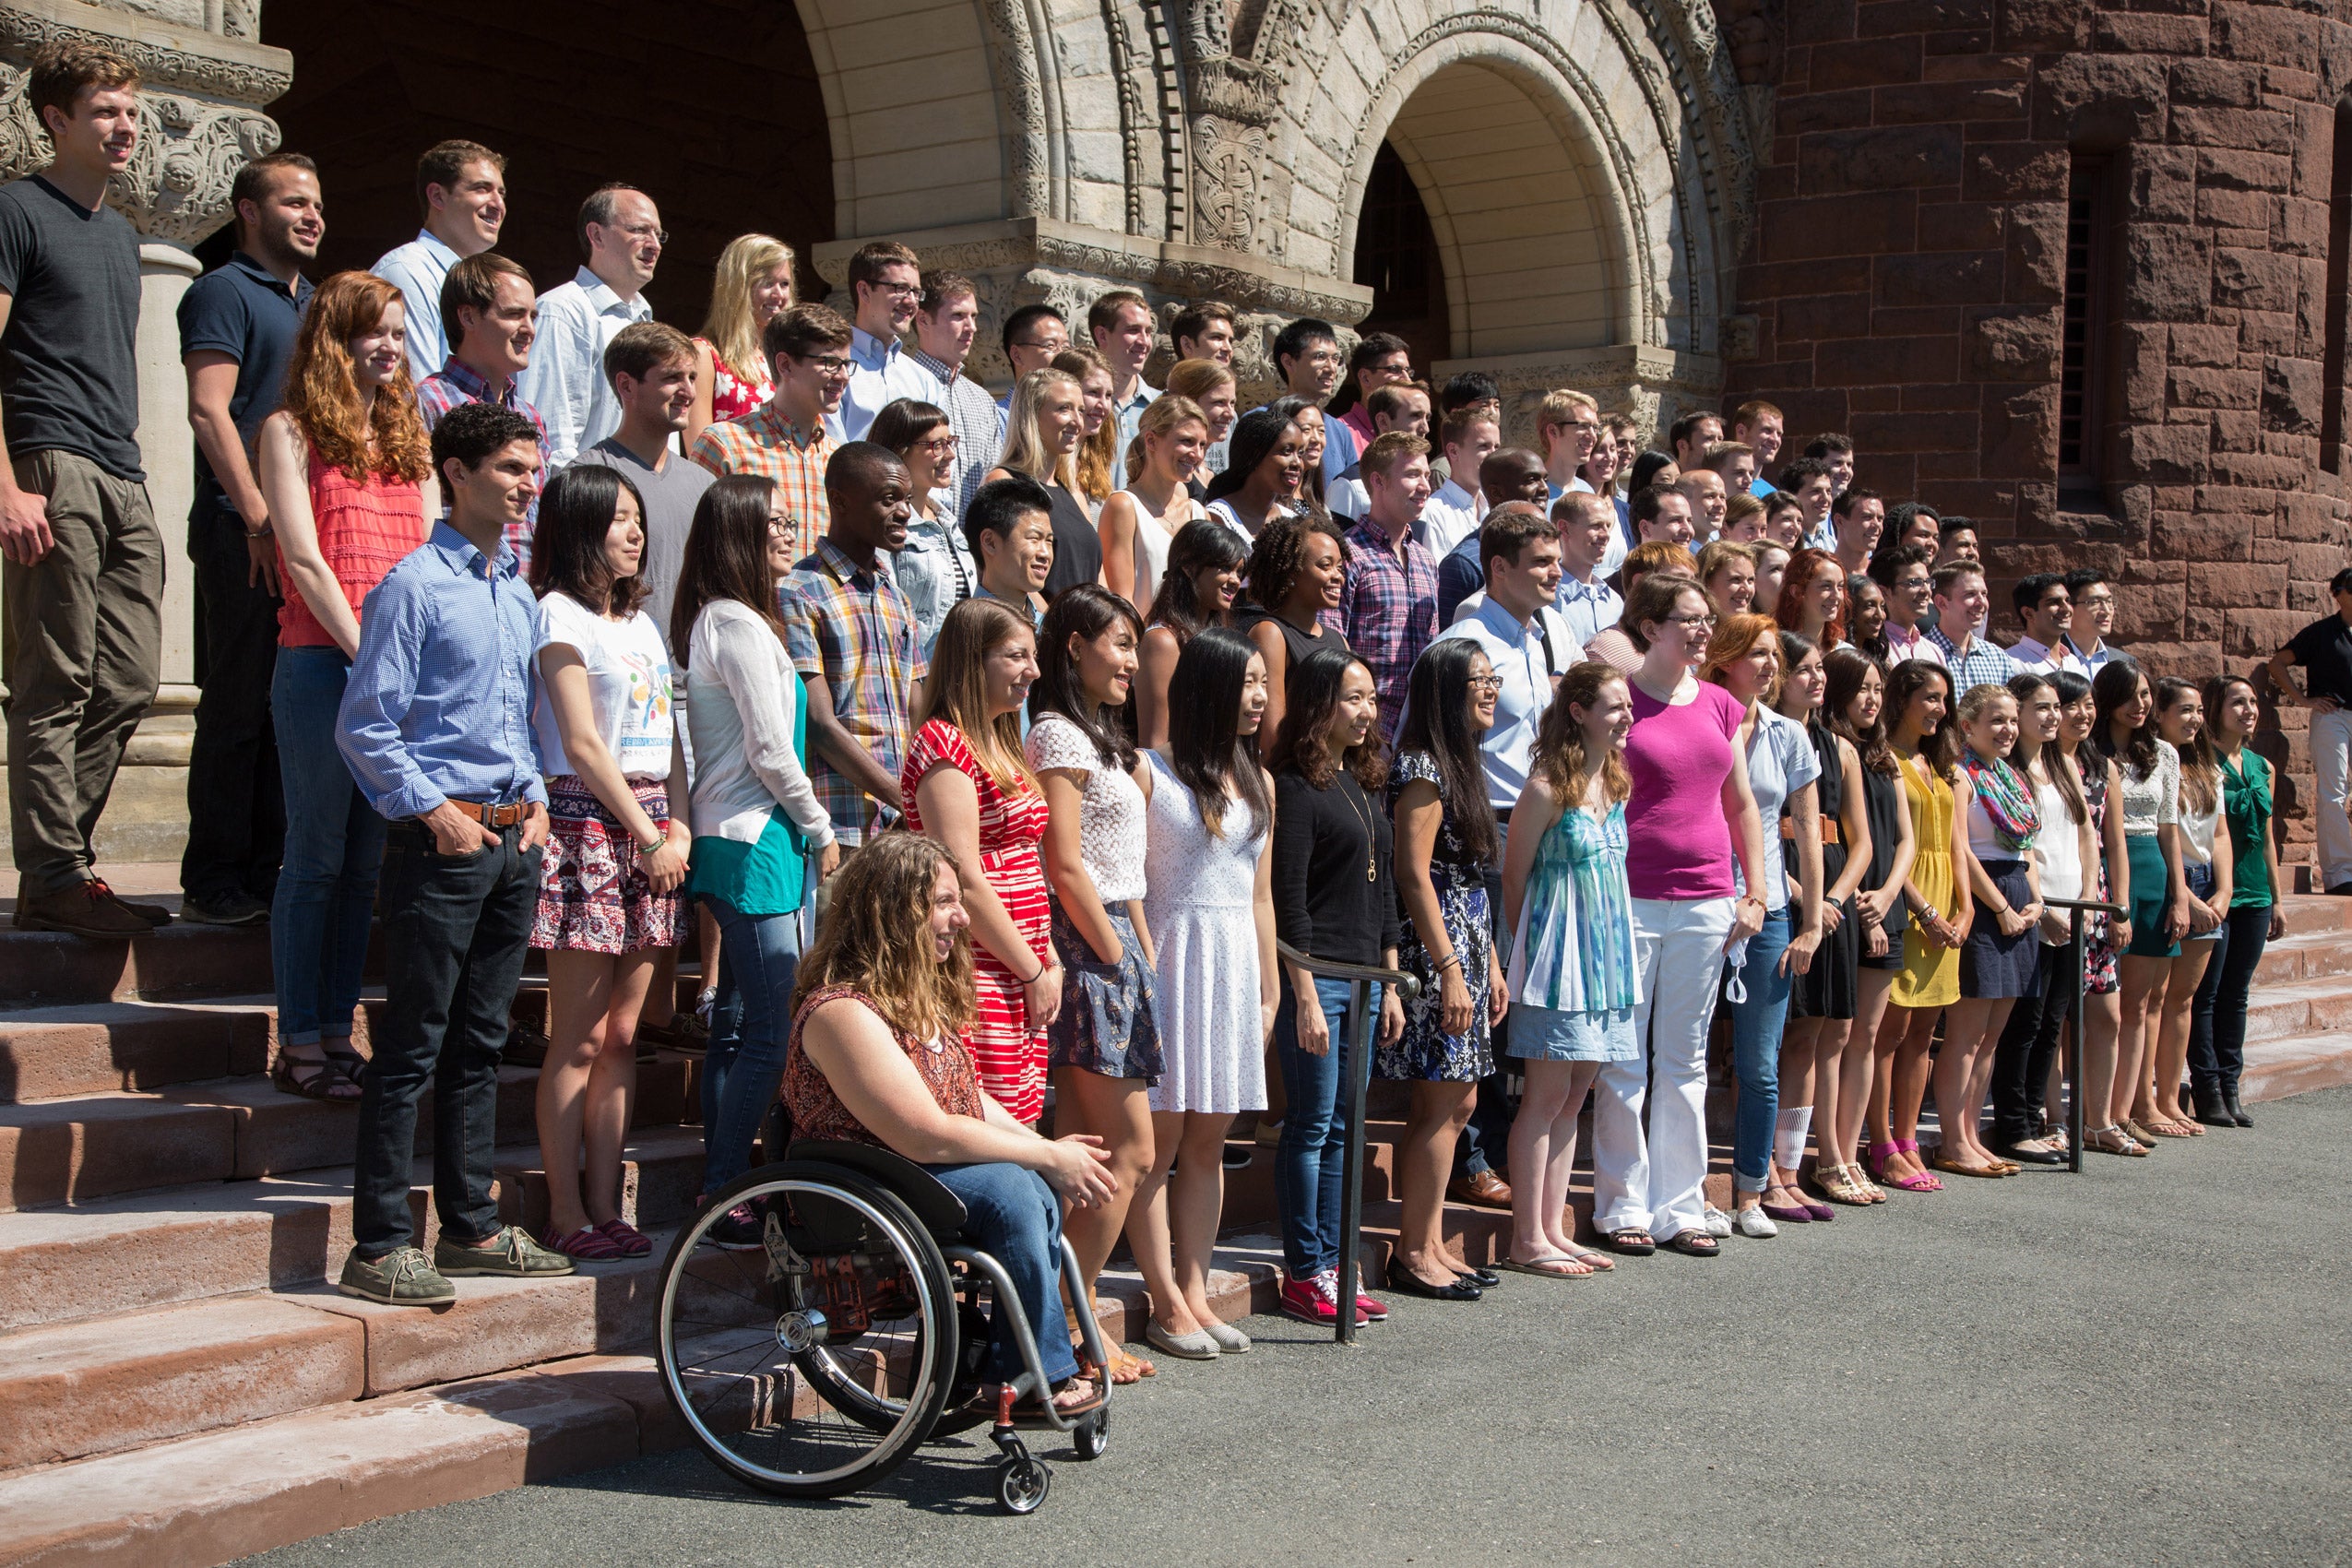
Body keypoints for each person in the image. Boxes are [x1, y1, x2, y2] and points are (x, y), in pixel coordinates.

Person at [333, 401, 566, 1306]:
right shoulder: (414, 586)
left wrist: (539, 800)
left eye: (529, 465)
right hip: (447, 843)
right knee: (413, 1045)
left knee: (479, 1040)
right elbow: (365, 726)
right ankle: (382, 1240)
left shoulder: (516, 590)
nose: (525, 481)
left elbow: (519, 719)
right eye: (509, 466)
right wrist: (438, 815)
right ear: (458, 471)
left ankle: (469, 1225)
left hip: (514, 840)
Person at [780, 831, 1114, 1416]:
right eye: (943, 902)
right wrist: (1041, 1157)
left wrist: (1043, 1147)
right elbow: (924, 1132)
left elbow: (969, 1099)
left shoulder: (915, 1001)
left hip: (912, 1173)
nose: (963, 917)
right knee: (1013, 1188)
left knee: (1030, 1182)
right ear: (893, 911)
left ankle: (1014, 1363)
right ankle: (1034, 1377)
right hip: (864, 1182)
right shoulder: (840, 1012)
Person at [1, 43, 167, 941]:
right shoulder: (16, 212)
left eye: (130, 111)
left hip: (124, 469)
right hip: (50, 461)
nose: (125, 125)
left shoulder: (120, 233)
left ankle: (64, 864)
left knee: (131, 676)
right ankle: (56, 871)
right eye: (104, 110)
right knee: (56, 675)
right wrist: (5, 484)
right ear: (57, 119)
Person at [254, 270, 433, 1099]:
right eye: (375, 332)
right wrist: (372, 653)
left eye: (398, 332)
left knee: (366, 867)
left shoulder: (410, 435)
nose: (390, 347)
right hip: (324, 662)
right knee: (318, 857)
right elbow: (301, 560)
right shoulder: (289, 432)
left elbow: (430, 554)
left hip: (393, 672)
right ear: (335, 338)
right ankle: (299, 1043)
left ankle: (336, 1029)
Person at [524, 466, 690, 1259]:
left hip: (652, 823)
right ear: (579, 529)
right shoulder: (557, 613)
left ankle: (606, 1202)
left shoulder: (641, 623)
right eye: (617, 519)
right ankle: (565, 1210)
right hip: (589, 824)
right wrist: (648, 834)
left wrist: (677, 826)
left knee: (625, 1035)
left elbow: (671, 740)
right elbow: (583, 742)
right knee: (580, 1037)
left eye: (637, 519)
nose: (634, 531)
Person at [674, 475, 838, 1217]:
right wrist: (820, 825)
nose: (786, 530)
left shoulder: (732, 619)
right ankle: (727, 1187)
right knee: (771, 1031)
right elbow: (771, 750)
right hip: (755, 841)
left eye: (787, 518)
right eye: (769, 522)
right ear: (737, 532)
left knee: (738, 1027)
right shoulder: (735, 624)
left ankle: (725, 1180)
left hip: (742, 839)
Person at [1592, 574, 1767, 1256]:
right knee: (1623, 1057)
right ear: (1650, 627)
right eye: (1688, 619)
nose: (1701, 630)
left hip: (1707, 901)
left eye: (1706, 619)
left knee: (1686, 1059)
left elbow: (1741, 804)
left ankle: (1681, 1205)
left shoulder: (1724, 704)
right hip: (1629, 896)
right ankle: (1622, 1203)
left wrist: (1754, 891)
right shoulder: (1621, 702)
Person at [174, 151, 321, 926]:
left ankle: (270, 870)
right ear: (249, 212)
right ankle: (215, 878)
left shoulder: (315, 304)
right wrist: (261, 517)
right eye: (293, 201)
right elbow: (210, 412)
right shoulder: (222, 292)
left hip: (304, 537)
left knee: (285, 706)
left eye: (317, 204)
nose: (311, 216)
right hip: (246, 530)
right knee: (237, 703)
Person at [1027, 587, 1163, 1381]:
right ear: (1074, 645)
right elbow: (1063, 859)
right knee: (1128, 1152)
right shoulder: (1056, 733)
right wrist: (1114, 952)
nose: (1131, 663)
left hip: (1115, 945)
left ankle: (1072, 1325)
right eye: (1118, 644)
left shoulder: (1100, 736)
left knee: (1092, 1155)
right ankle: (1072, 1323)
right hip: (1086, 946)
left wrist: (1138, 953)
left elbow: (1125, 868)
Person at [1131, 625, 1277, 1349]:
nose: (1260, 696)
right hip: (1168, 961)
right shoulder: (1147, 772)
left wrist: (1271, 988)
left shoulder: (1260, 782)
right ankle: (1164, 1303)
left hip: (1231, 967)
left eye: (1263, 683)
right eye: (1248, 682)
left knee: (1209, 1142)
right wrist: (1145, 971)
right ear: (1209, 687)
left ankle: (1196, 1288)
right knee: (1158, 1145)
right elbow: (1125, 884)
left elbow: (1261, 897)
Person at [1269, 647, 1404, 1318]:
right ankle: (1306, 1268)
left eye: (1371, 698)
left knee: (1348, 1125)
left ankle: (1336, 1262)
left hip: (1365, 977)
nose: (1366, 711)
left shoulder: (1363, 779)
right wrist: (1301, 994)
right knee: (1313, 1123)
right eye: (1352, 697)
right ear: (1318, 701)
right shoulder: (1295, 784)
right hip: (1318, 976)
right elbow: (1288, 900)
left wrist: (1391, 979)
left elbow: (1383, 891)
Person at [1499, 661, 1637, 1275]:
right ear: (1579, 712)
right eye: (1614, 705)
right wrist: (1531, 958)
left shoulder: (1614, 781)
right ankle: (1526, 1238)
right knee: (1546, 1096)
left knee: (1576, 1095)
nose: (1627, 715)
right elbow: (1514, 879)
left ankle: (1552, 1229)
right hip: (1559, 963)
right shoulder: (1545, 787)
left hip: (1605, 959)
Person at [1384, 639, 1509, 1296]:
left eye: (1491, 680)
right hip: (1436, 948)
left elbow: (1470, 877)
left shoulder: (1462, 761)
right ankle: (1413, 1252)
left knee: (1457, 1101)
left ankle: (1431, 1242)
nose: (1489, 691)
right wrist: (1453, 967)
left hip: (1465, 939)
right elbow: (1414, 874)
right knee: (1443, 1099)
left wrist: (1488, 960)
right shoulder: (1422, 766)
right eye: (1476, 681)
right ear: (1444, 691)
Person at [904, 597, 1056, 1123]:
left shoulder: (999, 738)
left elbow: (1025, 865)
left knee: (1023, 1117)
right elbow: (964, 875)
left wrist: (1044, 957)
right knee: (991, 1121)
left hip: (1019, 959)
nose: (1033, 671)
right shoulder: (943, 743)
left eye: (1033, 656)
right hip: (979, 962)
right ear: (974, 659)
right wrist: (1033, 968)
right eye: (1016, 657)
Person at [1704, 617, 1821, 1236]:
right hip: (1700, 900)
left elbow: (1807, 828)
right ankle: (1691, 1190)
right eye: (1758, 654)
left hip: (1769, 909)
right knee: (1686, 1056)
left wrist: (1812, 919)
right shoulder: (1700, 717)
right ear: (1725, 659)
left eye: (1776, 654)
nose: (1771, 665)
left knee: (1760, 1063)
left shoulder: (1791, 734)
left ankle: (1750, 1192)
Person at [781, 442, 927, 856]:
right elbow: (818, 722)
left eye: (907, 499)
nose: (904, 512)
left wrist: (916, 800)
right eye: (889, 499)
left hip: (902, 830)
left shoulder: (895, 595)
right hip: (839, 829)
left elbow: (917, 710)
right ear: (840, 501)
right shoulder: (798, 591)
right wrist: (904, 798)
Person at [1810, 649, 1911, 1206]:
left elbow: (1904, 839)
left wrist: (1890, 895)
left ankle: (1849, 1155)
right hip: (1846, 900)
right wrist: (1861, 902)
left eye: (1879, 688)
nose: (1872, 698)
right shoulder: (1829, 750)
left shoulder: (1884, 756)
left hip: (1884, 902)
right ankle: (1828, 1157)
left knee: (1868, 1036)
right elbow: (1845, 835)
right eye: (1863, 688)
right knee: (1837, 1034)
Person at [1983, 671, 2094, 1168]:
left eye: (2057, 707)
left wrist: (2088, 898)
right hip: (2037, 910)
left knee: (2053, 1022)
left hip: (2076, 908)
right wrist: (2044, 909)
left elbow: (2087, 836)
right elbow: (2022, 850)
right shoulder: (2011, 773)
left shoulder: (2063, 764)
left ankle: (2035, 1118)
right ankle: (2013, 1126)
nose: (2054, 716)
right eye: (2043, 707)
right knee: (2024, 1024)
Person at [1933, 680, 2042, 1179]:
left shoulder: (2012, 776)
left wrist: (2036, 898)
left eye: (2012, 720)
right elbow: (1963, 849)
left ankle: (1973, 1134)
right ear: (1968, 726)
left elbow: (2026, 848)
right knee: (1967, 1035)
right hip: (1985, 900)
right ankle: (1952, 1140)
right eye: (1996, 720)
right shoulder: (1962, 775)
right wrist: (1999, 907)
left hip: (2019, 896)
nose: (2007, 729)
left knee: (1993, 1035)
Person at [1868, 659, 1964, 1194]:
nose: (1939, 709)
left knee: (1925, 1034)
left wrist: (1964, 908)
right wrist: (1925, 911)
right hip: (1911, 902)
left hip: (1947, 905)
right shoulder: (1887, 762)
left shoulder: (1937, 763)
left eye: (1943, 698)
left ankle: (1907, 1138)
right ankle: (1881, 1141)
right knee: (1892, 1032)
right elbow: (1891, 849)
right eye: (1929, 697)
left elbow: (1957, 845)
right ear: (1902, 698)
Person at [2095, 657, 2189, 1149]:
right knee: (2120, 1003)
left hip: (2152, 864)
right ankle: (2107, 1112)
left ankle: (2138, 1105)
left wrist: (2180, 894)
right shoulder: (2091, 751)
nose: (2140, 705)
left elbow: (2169, 827)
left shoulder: (2165, 754)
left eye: (2147, 695)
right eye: (2130, 695)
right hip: (2108, 866)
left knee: (2152, 999)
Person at [571, 322, 713, 638]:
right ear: (627, 385)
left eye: (692, 378)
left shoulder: (704, 484)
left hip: (693, 678)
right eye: (672, 378)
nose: (689, 391)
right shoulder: (588, 477)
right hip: (619, 674)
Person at [414, 252, 550, 571]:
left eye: (533, 316)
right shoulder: (427, 402)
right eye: (514, 314)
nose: (528, 329)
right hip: (458, 590)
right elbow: (420, 516)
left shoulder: (531, 416)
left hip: (525, 596)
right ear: (468, 317)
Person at [687, 303, 850, 568]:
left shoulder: (839, 460)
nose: (842, 376)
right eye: (830, 363)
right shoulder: (725, 444)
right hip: (750, 607)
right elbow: (698, 548)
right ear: (785, 365)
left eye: (846, 364)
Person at [2190, 673, 2282, 1128]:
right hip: (2212, 893)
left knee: (2237, 996)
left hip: (2255, 893)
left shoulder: (2263, 766)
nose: (2249, 710)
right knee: (2205, 995)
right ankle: (2207, 1091)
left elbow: (2267, 836)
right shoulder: (2199, 760)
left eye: (2252, 701)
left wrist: (2278, 899)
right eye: (2237, 702)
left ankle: (2231, 1085)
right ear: (2215, 710)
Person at [520, 184, 662, 469]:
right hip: (586, 502)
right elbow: (548, 436)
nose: (654, 245)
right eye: (639, 230)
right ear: (597, 235)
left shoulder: (645, 320)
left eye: (659, 235)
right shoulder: (562, 310)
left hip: (635, 502)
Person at [2061, 667, 2143, 1157]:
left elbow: (2116, 844)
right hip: (2059, 897)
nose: (2084, 713)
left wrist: (2120, 909)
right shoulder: (2041, 765)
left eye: (2089, 705)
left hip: (2100, 899)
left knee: (2106, 1014)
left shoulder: (2102, 767)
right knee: (2058, 1017)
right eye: (2073, 705)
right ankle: (2058, 1119)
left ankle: (2100, 1119)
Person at [2145, 676, 2229, 1138]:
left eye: (2199, 710)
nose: (2195, 718)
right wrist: (2187, 897)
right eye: (2185, 710)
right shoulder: (2155, 761)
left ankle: (2170, 1097)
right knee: (2154, 998)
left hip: (2205, 882)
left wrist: (2224, 891)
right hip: (2171, 883)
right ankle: (2146, 1100)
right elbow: (2162, 834)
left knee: (2183, 1001)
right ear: (2160, 714)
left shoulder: (2207, 765)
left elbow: (2219, 834)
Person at [1330, 433, 1438, 744]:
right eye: (1412, 474)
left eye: (1427, 475)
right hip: (1366, 734)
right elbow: (1334, 650)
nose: (1425, 486)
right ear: (1378, 481)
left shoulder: (1425, 560)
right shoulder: (1347, 554)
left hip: (1418, 734)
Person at [372, 140, 505, 385]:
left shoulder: (485, 282)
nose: (498, 204)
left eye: (501, 193)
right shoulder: (407, 271)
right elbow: (418, 393)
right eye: (482, 189)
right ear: (437, 196)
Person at [2267, 566, 2352, 894]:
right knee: (2334, 794)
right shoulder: (2321, 633)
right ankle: (2341, 875)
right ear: (2337, 594)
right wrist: (2303, 700)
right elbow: (2278, 664)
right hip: (2334, 717)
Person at [1236, 513, 1351, 744]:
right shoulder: (1270, 634)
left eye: (1339, 567)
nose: (1338, 576)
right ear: (1291, 572)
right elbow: (1272, 737)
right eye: (1325, 566)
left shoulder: (1339, 640)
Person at [868, 398, 972, 655]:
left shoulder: (947, 521)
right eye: (937, 445)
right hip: (912, 679)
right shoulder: (887, 526)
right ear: (900, 451)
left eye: (950, 443)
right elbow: (883, 615)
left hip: (953, 677)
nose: (950, 454)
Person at [989, 365, 1101, 598]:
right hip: (1040, 628)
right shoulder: (1004, 481)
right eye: (1064, 409)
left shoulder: (1073, 491)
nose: (1077, 421)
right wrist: (1050, 625)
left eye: (1080, 411)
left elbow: (1098, 575)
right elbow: (1007, 574)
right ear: (1032, 414)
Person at [1136, 517, 1247, 748]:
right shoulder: (1163, 641)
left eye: (1239, 572)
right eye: (1225, 568)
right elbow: (1155, 744)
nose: (1235, 581)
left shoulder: (1221, 634)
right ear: (1188, 567)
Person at [1099, 394, 1208, 613]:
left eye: (1202, 445)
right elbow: (1121, 599)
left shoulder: (1197, 512)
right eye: (1186, 441)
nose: (1197, 454)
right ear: (1151, 441)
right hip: (1143, 641)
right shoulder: (1123, 506)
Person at [909, 270, 1005, 517]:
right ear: (923, 320)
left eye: (974, 316)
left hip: (972, 548)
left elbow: (993, 483)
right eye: (958, 316)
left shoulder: (983, 400)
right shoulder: (904, 387)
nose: (971, 327)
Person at [686, 232, 791, 451]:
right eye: (767, 283)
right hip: (731, 483)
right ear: (738, 287)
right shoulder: (704, 353)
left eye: (784, 284)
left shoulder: (784, 357)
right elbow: (700, 453)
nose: (779, 295)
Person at [831, 241, 933, 443]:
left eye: (916, 292)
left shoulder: (924, 381)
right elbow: (831, 456)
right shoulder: (832, 371)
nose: (912, 301)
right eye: (901, 288)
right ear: (865, 291)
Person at [1583, 540, 1695, 673]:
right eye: (1679, 580)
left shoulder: (1683, 641)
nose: (1691, 589)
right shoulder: (1602, 650)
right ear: (1640, 583)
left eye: (1693, 581)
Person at [1270, 318, 1353, 495]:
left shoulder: (1340, 431)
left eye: (1335, 359)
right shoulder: (1263, 420)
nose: (1331, 368)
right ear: (1289, 362)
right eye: (1320, 357)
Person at [1200, 407, 1305, 542]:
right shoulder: (1218, 516)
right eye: (1286, 451)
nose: (1297, 463)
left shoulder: (1292, 520)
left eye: (1300, 453)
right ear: (1255, 456)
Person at [1088, 291, 1158, 489]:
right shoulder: (1077, 404)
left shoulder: (1163, 406)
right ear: (1102, 335)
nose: (1144, 341)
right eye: (1133, 330)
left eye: (1148, 332)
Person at [965, 470, 1053, 627]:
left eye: (1049, 541)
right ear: (990, 542)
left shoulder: (1051, 633)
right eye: (1034, 538)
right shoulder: (962, 631)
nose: (1045, 553)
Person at [1421, 405, 1501, 562]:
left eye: (1496, 446)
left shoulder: (1497, 508)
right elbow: (1439, 579)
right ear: (1453, 451)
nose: (1494, 455)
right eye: (1483, 446)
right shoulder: (1433, 512)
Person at [1926, 561, 2018, 691]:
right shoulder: (1922, 654)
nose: (1981, 603)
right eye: (1970, 594)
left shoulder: (1997, 657)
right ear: (1942, 603)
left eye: (1984, 594)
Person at [1051, 344, 1120, 511]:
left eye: (1108, 395)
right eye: (1093, 393)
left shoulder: (1097, 460)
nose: (1103, 405)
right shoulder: (1044, 468)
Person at [1552, 492, 1626, 647]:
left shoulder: (1614, 601)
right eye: (1596, 525)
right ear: (1564, 528)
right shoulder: (1549, 598)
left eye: (1608, 526)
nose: (1606, 535)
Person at [1327, 331, 1411, 451]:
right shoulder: (1338, 434)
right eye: (1395, 369)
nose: (1407, 379)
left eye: (1407, 370)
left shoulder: (1408, 430)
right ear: (1365, 378)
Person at [1164, 357, 1238, 486]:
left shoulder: (1208, 474)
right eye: (1219, 402)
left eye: (1232, 403)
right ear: (1189, 403)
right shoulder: (1171, 472)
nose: (1230, 413)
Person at [1868, 543, 1943, 667]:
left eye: (1928, 582)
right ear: (1884, 592)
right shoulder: (1873, 650)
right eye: (1915, 583)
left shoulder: (1934, 652)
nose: (1926, 591)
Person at [2007, 572, 2085, 677]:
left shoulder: (2072, 661)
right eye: (2054, 602)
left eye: (2067, 600)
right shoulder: (2010, 663)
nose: (2066, 608)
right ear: (2028, 613)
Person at [997, 303, 1070, 411]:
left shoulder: (1075, 419)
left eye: (1066, 347)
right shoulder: (995, 418)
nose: (1061, 354)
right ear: (1017, 355)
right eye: (1050, 345)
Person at [1776, 546, 1847, 650]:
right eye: (1826, 586)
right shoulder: (1774, 650)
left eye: (1840, 586)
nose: (1837, 596)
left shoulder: (1843, 652)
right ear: (1796, 591)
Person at [2063, 568, 2121, 672]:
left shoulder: (2122, 662)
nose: (2106, 611)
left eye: (2109, 601)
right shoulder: (2051, 661)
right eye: (2094, 602)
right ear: (2069, 607)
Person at [1731, 399, 1785, 494]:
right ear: (1741, 431)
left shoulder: (1772, 494)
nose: (1775, 439)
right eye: (1767, 430)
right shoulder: (1719, 485)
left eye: (1779, 434)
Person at [1829, 486, 1884, 576]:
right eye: (1867, 517)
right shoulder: (1821, 574)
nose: (1877, 525)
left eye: (1880, 518)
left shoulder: (1884, 575)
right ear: (1839, 521)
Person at [1698, 539, 1757, 619]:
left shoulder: (1758, 630)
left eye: (1750, 580)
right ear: (1706, 582)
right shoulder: (1689, 629)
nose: (1747, 589)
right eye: (1736, 579)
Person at [1847, 573, 1890, 663]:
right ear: (1849, 608)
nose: (1881, 616)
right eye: (1869, 606)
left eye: (1882, 607)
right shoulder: (1836, 655)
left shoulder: (1880, 657)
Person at [1752, 541, 1790, 620]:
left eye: (1790, 568)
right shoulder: (1741, 629)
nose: (1788, 576)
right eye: (1775, 569)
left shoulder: (1804, 624)